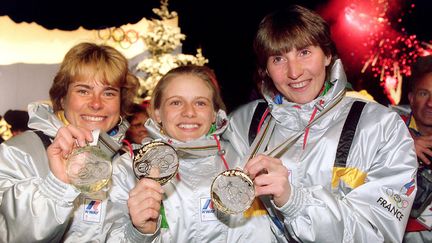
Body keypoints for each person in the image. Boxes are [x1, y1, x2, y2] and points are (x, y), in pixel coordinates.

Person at [223, 5, 418, 242]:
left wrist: (294, 201)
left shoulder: (381, 127)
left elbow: (378, 233)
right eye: (278, 59)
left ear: (327, 55)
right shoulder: (242, 125)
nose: (294, 72)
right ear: (266, 69)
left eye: (304, 53)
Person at [109, 65, 279, 242]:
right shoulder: (130, 168)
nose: (189, 112)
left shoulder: (245, 161)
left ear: (214, 113)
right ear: (157, 113)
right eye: (176, 102)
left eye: (200, 103)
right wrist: (139, 232)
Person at [0, 42, 139, 242]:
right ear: (63, 98)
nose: (96, 103)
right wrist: (57, 186)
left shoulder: (128, 163)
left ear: (121, 102)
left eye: (109, 92)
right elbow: (9, 236)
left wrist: (141, 232)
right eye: (83, 91)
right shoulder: (18, 153)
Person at [394, 55, 432, 242]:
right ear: (411, 98)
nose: (431, 103)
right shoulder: (387, 126)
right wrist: (404, 147)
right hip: (397, 231)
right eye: (424, 93)